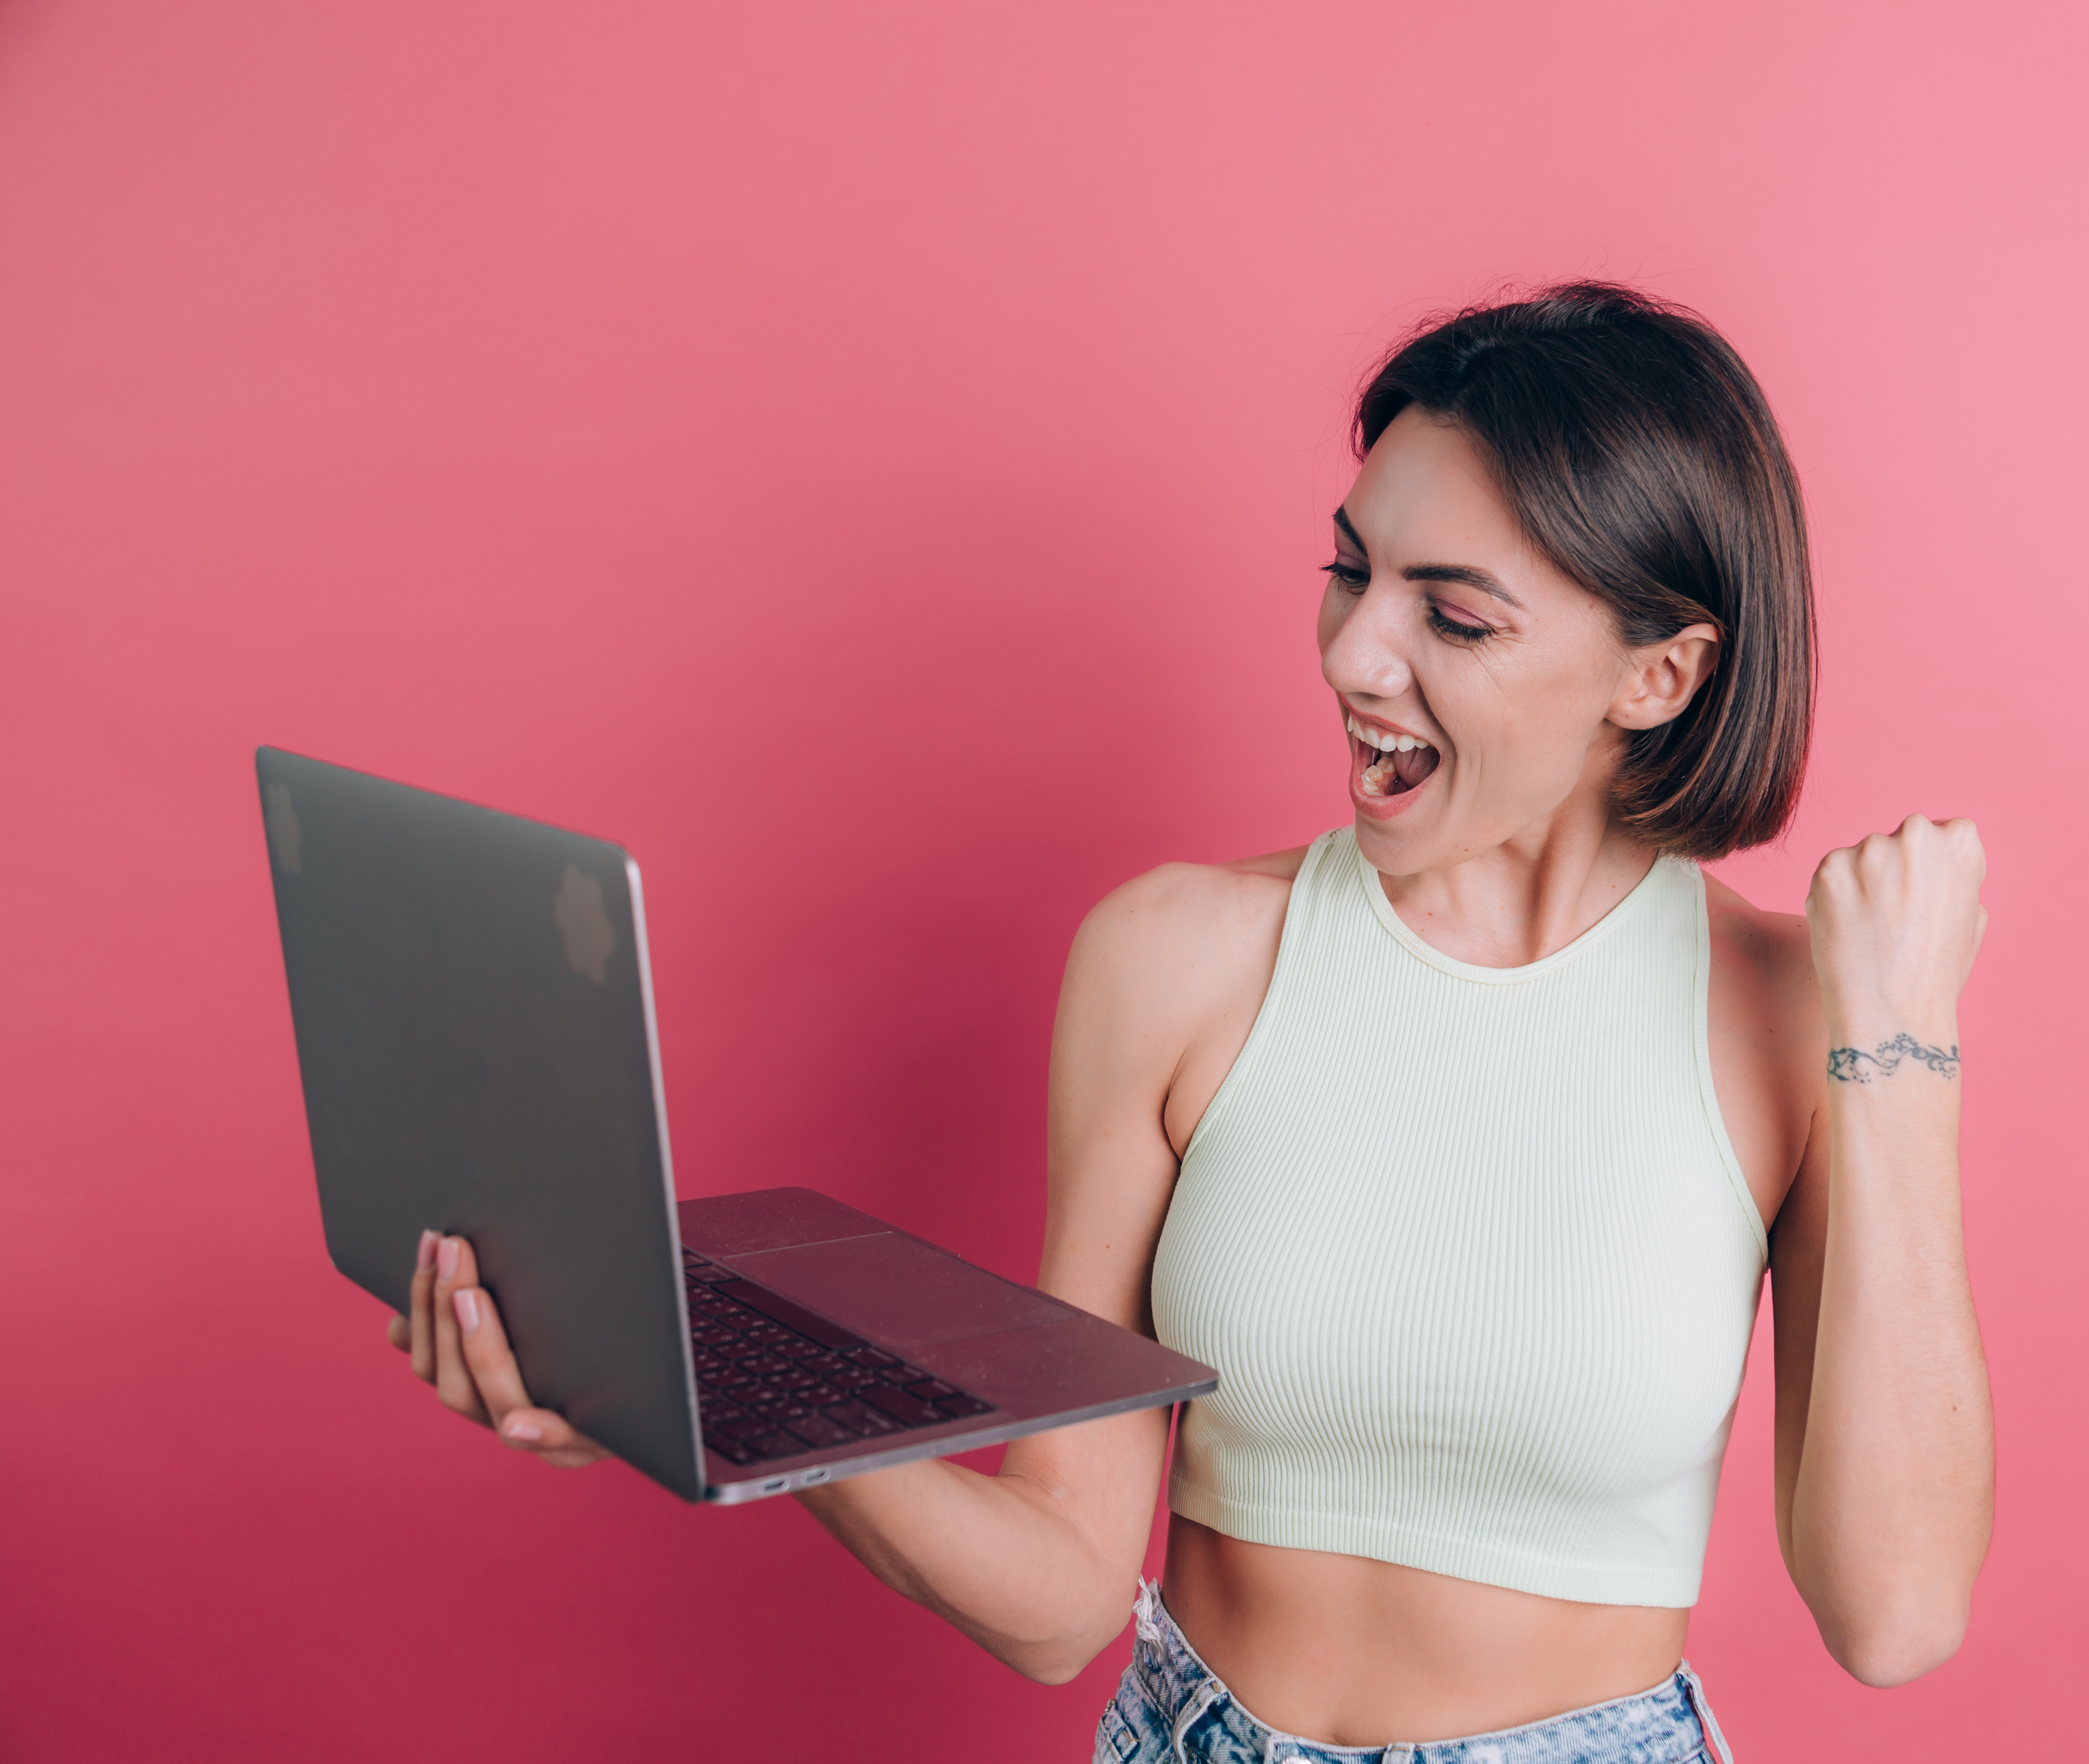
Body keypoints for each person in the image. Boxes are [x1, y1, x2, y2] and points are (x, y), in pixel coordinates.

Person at [393, 283, 1995, 1762]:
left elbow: (1897, 1612)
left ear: (1659, 677)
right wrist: (723, 1386)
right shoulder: (1177, 961)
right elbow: (1067, 1594)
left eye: (1458, 616)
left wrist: (1902, 1059)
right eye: (1352, 569)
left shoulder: (1800, 1025)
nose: (1358, 651)